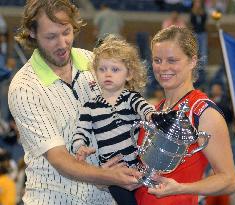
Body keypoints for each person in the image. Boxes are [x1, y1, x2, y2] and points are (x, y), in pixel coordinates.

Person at [8, 0, 140, 204]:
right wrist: (108, 176)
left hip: (106, 199)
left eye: (66, 32)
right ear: (32, 33)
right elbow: (60, 159)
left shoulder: (94, 62)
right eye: (51, 37)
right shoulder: (24, 88)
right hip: (53, 199)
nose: (62, 44)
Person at [135, 26, 235, 205]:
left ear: (192, 61)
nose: (163, 67)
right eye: (157, 60)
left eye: (172, 60)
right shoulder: (155, 110)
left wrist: (181, 188)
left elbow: (228, 181)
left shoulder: (203, 112)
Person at [71, 34, 155, 205]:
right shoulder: (90, 106)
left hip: (139, 168)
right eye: (102, 69)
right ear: (95, 72)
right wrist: (80, 147)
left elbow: (146, 109)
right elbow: (81, 131)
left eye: (115, 70)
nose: (108, 74)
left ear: (129, 74)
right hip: (113, 174)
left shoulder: (131, 98)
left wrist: (152, 116)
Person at [190, 0, 208, 88]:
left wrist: (200, 13)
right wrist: (195, 12)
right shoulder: (192, 13)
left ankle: (203, 66)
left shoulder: (203, 13)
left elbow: (204, 22)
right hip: (196, 33)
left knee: (203, 50)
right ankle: (196, 65)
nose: (197, 5)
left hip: (202, 33)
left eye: (198, 3)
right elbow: (193, 22)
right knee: (196, 50)